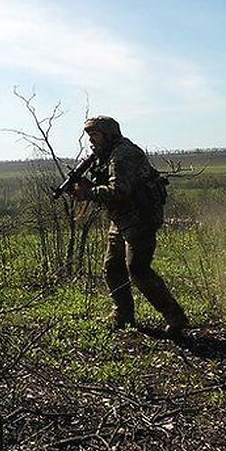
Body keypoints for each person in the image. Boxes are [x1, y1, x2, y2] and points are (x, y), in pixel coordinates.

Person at [73, 115, 188, 337]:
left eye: (94, 135)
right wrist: (89, 186)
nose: (91, 140)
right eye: (89, 136)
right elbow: (111, 186)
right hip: (122, 218)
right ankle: (122, 314)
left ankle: (176, 317)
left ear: (108, 134)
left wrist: (87, 193)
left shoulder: (123, 155)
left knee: (138, 269)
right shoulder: (106, 154)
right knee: (112, 267)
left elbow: (119, 191)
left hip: (141, 218)